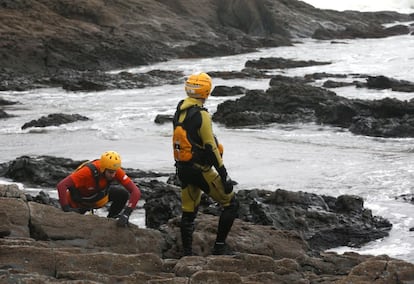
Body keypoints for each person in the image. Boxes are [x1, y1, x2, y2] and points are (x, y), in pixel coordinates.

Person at [172, 72, 239, 256]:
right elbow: (211, 147)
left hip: (183, 169)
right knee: (231, 203)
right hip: (199, 170)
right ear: (207, 91)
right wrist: (224, 175)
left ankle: (187, 253)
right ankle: (219, 247)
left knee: (189, 211)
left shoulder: (180, 109)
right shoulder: (202, 115)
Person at [56, 150, 141, 227]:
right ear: (103, 169)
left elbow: (135, 191)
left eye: (115, 172)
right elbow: (62, 186)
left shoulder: (113, 169)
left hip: (97, 198)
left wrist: (126, 214)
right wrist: (66, 209)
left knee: (122, 194)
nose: (114, 175)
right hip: (78, 203)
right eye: (111, 172)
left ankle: (111, 219)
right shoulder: (87, 172)